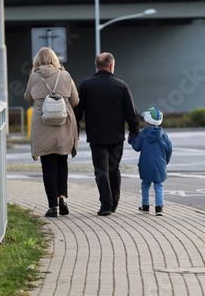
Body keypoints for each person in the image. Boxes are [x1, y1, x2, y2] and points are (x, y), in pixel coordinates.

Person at [74, 52, 140, 216]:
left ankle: (105, 204)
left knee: (101, 170)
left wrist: (75, 129)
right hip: (116, 137)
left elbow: (76, 111)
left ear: (97, 66)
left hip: (96, 137)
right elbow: (131, 112)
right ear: (111, 66)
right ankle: (114, 202)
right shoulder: (121, 85)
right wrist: (134, 131)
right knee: (114, 168)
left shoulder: (85, 85)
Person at [24, 47, 79, 217]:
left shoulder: (34, 77)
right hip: (63, 125)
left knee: (48, 165)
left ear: (37, 61)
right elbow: (75, 100)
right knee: (62, 162)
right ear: (55, 59)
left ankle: (52, 207)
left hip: (43, 126)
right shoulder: (65, 75)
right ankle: (62, 197)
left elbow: (27, 98)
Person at [129, 107, 172, 216]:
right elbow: (169, 149)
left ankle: (145, 206)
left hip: (146, 164)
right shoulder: (163, 135)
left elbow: (137, 147)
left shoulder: (143, 134)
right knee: (159, 185)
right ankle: (159, 208)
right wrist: (165, 161)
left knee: (145, 184)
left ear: (147, 121)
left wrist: (132, 140)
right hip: (159, 164)